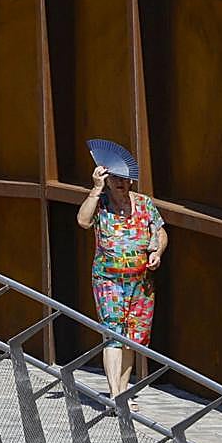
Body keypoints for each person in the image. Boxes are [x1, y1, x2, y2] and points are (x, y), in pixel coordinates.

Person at [77, 145, 167, 409]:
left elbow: (160, 232)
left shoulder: (144, 203)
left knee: (133, 338)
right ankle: (115, 395)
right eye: (115, 178)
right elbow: (82, 221)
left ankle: (123, 392)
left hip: (141, 282)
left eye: (125, 179)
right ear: (106, 178)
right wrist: (95, 189)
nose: (121, 183)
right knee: (114, 333)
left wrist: (157, 251)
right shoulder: (100, 203)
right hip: (109, 280)